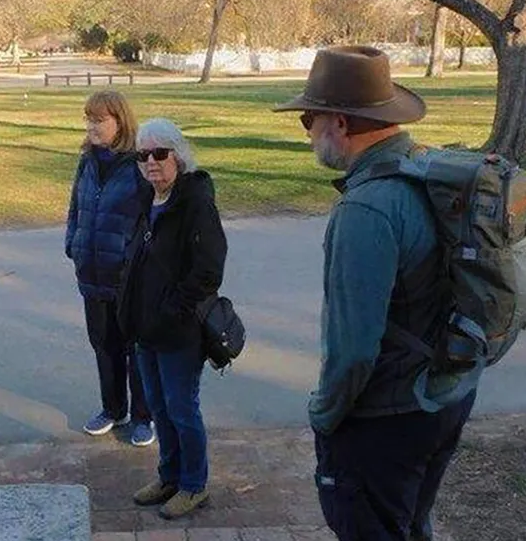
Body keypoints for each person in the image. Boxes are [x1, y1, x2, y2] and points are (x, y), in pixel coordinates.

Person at [273, 46, 478, 540]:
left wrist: (324, 416)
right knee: (409, 524)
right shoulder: (426, 169)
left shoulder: (367, 209)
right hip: (446, 395)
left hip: (390, 416)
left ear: (340, 123)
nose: (308, 133)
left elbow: (353, 350)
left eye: (309, 119)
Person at [117, 118, 227, 520]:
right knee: (160, 410)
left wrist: (172, 310)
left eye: (159, 153)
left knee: (182, 409)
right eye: (143, 155)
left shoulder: (195, 201)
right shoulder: (148, 199)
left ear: (177, 156)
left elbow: (209, 270)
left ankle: (193, 485)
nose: (151, 162)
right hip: (146, 328)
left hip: (179, 331)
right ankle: (169, 476)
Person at [65, 90, 155, 447]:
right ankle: (113, 408)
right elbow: (76, 206)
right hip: (91, 272)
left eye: (99, 119)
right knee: (104, 344)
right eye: (88, 119)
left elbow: (151, 217)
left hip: (127, 278)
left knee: (136, 348)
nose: (92, 126)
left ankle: (143, 417)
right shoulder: (87, 161)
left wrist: (139, 260)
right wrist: (73, 243)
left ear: (120, 121)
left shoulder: (138, 163)